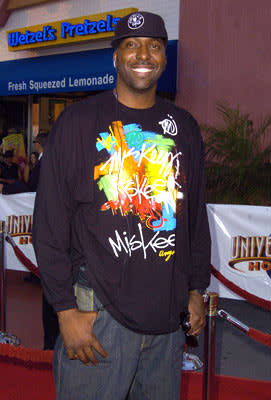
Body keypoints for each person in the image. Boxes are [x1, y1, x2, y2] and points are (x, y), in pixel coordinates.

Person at [32, 11, 211, 400]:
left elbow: (194, 218)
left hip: (167, 321)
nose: (142, 54)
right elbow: (48, 224)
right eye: (131, 45)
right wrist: (64, 310)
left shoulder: (184, 128)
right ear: (115, 57)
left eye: (154, 45)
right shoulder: (77, 123)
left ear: (164, 58)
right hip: (98, 317)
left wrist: (197, 289)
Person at [0, 131, 59, 350]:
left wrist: (5, 189)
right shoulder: (50, 161)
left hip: (49, 227)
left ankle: (51, 345)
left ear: (40, 144)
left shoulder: (47, 163)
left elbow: (29, 186)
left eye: (35, 143)